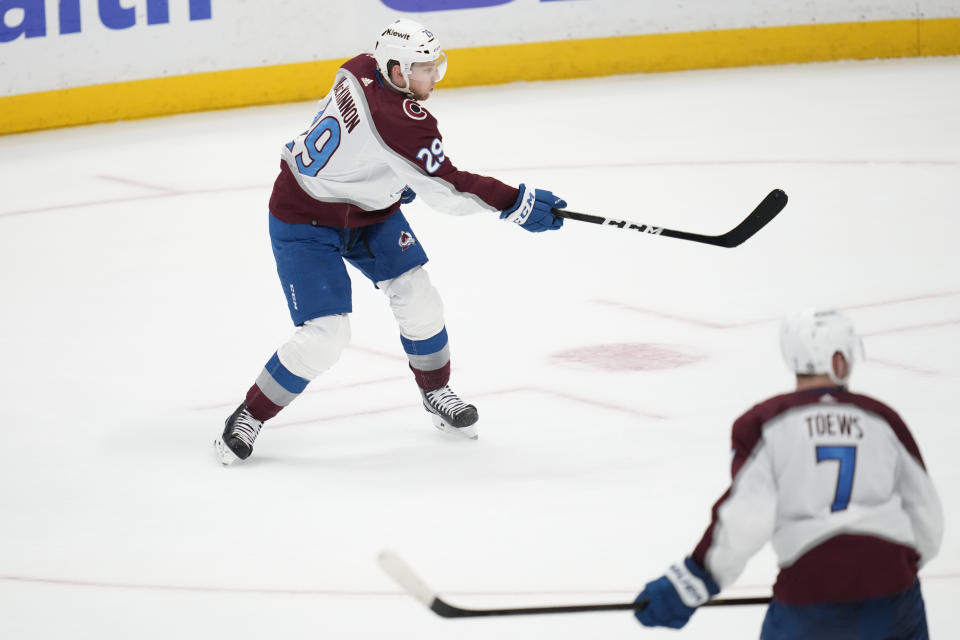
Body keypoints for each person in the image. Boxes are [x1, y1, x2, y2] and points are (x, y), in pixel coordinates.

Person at [214, 19, 567, 465]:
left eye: (436, 65)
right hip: (305, 218)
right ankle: (251, 413)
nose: (433, 76)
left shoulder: (360, 66)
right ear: (396, 70)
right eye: (424, 68)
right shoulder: (398, 118)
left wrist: (396, 179)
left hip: (369, 212)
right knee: (326, 335)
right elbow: (448, 189)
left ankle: (435, 391)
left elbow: (369, 147)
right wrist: (515, 202)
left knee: (420, 299)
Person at [634, 309, 943, 639]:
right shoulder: (883, 419)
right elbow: (928, 520)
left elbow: (746, 519)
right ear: (837, 360)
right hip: (894, 594)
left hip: (811, 594)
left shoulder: (765, 422)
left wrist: (690, 582)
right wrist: (882, 572)